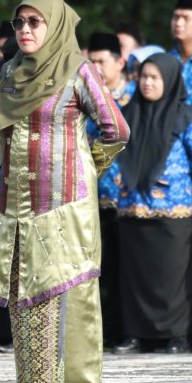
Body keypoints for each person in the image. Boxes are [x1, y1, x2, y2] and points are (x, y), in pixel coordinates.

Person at [0, 0, 128, 383]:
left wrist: (85, 169)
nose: (26, 30)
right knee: (26, 299)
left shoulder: (78, 71)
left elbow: (115, 129)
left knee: (71, 297)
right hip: (17, 205)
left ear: (56, 25)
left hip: (66, 206)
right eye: (19, 23)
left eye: (35, 22)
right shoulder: (10, 74)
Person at [115, 53, 192, 355]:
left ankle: (176, 335)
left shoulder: (188, 116)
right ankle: (136, 334)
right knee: (136, 275)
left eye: (155, 77)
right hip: (134, 208)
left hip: (173, 208)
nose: (147, 83)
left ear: (169, 81)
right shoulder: (126, 114)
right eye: (144, 76)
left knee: (172, 275)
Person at [86, 31, 134, 348]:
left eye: (102, 61)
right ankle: (98, 335)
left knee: (126, 271)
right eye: (91, 62)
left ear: (119, 62)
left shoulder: (137, 99)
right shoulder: (84, 100)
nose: (96, 68)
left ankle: (125, 331)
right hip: (92, 197)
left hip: (129, 200)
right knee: (95, 273)